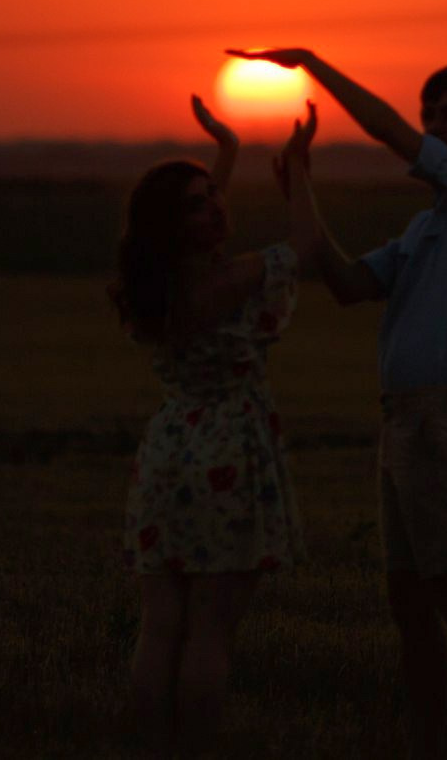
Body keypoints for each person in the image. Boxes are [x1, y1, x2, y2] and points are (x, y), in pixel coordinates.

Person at [231, 48, 447, 760]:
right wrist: (298, 179)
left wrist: (308, 63)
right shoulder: (428, 228)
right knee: (410, 605)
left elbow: (390, 133)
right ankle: (428, 740)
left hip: (440, 418)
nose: (432, 125)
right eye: (430, 113)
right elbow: (345, 281)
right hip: (402, 423)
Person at [109, 95, 313, 756]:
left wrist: (225, 153)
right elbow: (305, 246)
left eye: (212, 195)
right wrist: (300, 172)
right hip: (229, 454)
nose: (215, 205)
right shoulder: (234, 279)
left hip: (168, 452)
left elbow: (194, 229)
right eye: (197, 202)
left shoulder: (157, 284)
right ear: (176, 226)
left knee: (160, 625)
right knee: (210, 632)